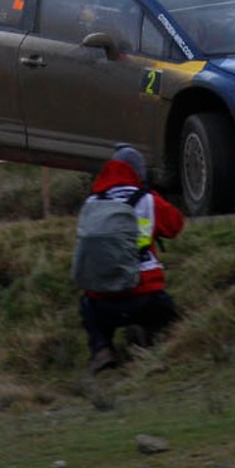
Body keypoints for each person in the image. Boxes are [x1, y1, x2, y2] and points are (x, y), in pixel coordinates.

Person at [79, 145, 184, 375]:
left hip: (102, 301)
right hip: (145, 296)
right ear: (139, 173)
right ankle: (151, 340)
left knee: (87, 308)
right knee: (166, 310)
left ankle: (102, 349)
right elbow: (176, 225)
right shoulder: (148, 201)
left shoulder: (91, 204)